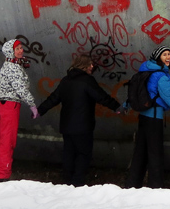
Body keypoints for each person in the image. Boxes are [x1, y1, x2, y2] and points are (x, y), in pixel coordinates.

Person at [37, 54, 122, 186]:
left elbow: (53, 98)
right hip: (83, 125)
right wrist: (116, 107)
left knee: (69, 152)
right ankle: (77, 182)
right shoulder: (87, 81)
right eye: (90, 64)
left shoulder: (66, 80)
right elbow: (101, 97)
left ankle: (67, 181)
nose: (92, 66)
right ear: (84, 65)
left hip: (67, 125)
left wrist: (40, 110)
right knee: (83, 153)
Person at [126, 44, 170, 189]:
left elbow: (138, 92)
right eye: (164, 54)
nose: (168, 57)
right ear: (158, 57)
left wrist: (125, 106)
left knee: (140, 153)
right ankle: (155, 187)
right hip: (154, 118)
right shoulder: (160, 76)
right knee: (155, 153)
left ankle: (132, 185)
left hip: (143, 117)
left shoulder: (144, 72)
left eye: (169, 53)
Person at [0, 39, 38, 182]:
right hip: (11, 106)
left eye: (21, 48)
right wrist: (32, 105)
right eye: (17, 49)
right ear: (11, 52)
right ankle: (2, 175)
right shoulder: (13, 68)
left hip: (3, 106)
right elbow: (20, 88)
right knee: (8, 141)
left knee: (0, 140)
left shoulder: (7, 65)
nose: (21, 50)